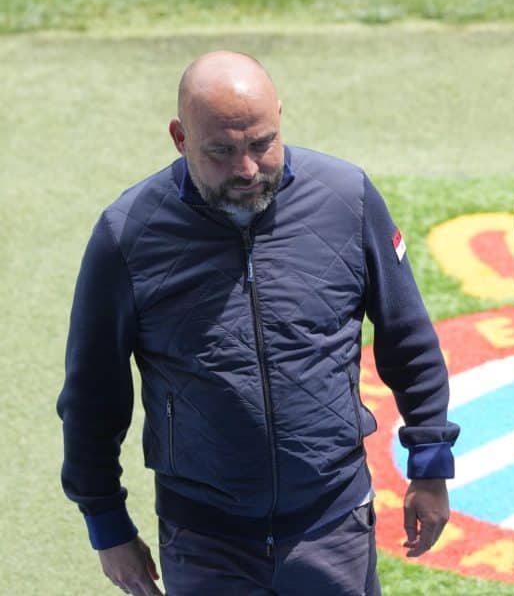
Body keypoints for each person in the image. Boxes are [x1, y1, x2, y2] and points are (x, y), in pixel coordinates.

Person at [58, 50, 459, 596]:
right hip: (204, 540)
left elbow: (407, 340)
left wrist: (430, 463)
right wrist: (107, 526)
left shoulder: (348, 199)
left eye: (262, 143)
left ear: (281, 119)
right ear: (180, 138)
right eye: (221, 151)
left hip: (333, 525)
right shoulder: (127, 235)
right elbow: (92, 395)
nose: (246, 169)